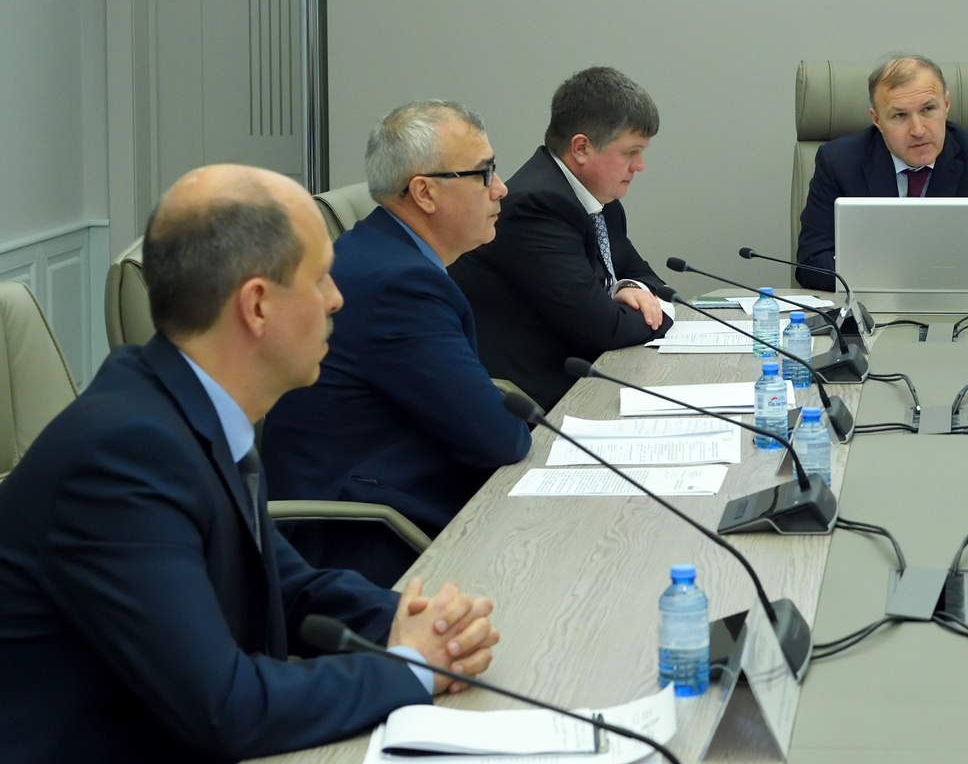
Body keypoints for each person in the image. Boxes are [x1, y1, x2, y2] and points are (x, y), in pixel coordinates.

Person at [0, 165, 502, 762]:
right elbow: (225, 708)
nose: (337, 299)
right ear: (258, 306)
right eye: (320, 279)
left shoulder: (186, 405)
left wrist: (418, 621)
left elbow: (284, 588)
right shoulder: (126, 455)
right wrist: (412, 667)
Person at [262, 102, 532, 586]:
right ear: (424, 192)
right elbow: (498, 438)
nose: (500, 189)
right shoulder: (399, 285)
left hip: (374, 495)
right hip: (364, 537)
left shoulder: (381, 251)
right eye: (484, 173)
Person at [451, 67, 673, 409]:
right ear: (581, 148)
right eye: (631, 152)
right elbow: (605, 329)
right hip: (535, 403)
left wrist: (630, 288)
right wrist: (662, 309)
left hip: (587, 379)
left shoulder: (599, 202)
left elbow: (646, 277)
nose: (640, 165)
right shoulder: (536, 206)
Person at [796, 54, 968, 291]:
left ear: (946, 106)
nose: (918, 130)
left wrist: (872, 268)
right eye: (900, 115)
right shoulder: (839, 163)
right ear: (877, 120)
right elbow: (810, 264)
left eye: (928, 109)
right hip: (870, 308)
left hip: (956, 305)